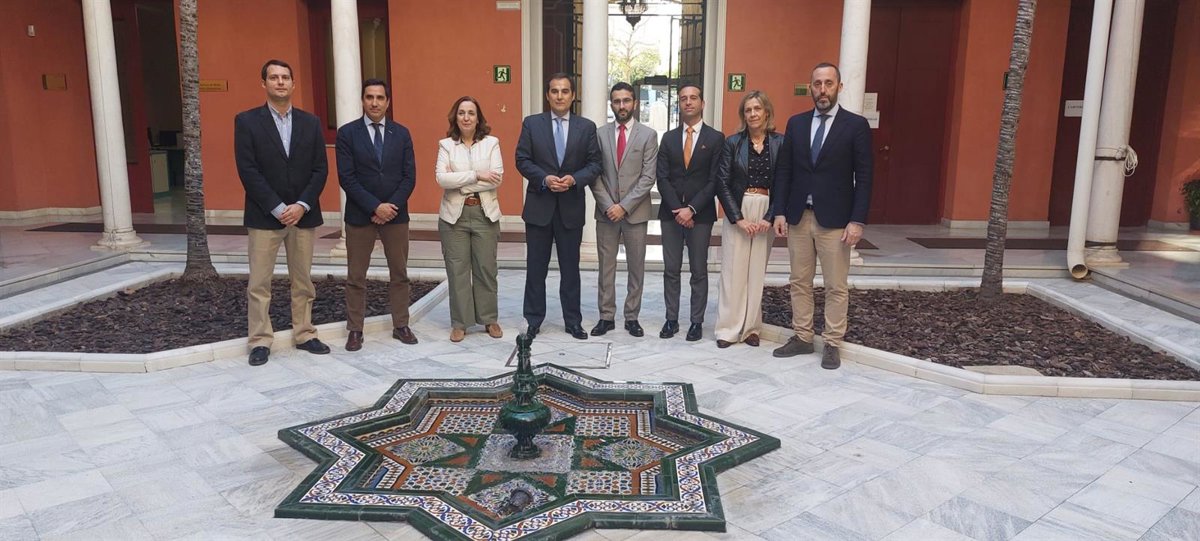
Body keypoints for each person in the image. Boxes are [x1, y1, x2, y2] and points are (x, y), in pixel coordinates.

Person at [771, 62, 873, 369]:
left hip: (836, 221)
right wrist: (779, 211)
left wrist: (857, 220)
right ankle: (803, 337)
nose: (823, 89)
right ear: (811, 87)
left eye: (829, 83)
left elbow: (864, 177)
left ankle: (832, 342)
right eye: (817, 84)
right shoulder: (797, 124)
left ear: (839, 87)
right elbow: (785, 171)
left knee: (835, 285)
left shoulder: (855, 126)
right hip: (799, 216)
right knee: (799, 281)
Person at [234, 59, 330, 366]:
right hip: (265, 217)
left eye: (285, 77)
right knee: (259, 283)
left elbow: (320, 169)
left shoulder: (310, 123)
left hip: (303, 216)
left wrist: (301, 205)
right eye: (274, 77)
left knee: (303, 281)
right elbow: (248, 170)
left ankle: (305, 333)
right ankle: (260, 340)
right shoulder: (247, 121)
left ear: (293, 83)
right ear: (264, 83)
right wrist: (277, 207)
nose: (280, 82)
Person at [514, 73, 602, 340]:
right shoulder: (532, 124)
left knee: (570, 270)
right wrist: (544, 178)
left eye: (565, 91)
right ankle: (533, 320)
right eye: (554, 91)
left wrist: (574, 179)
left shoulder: (586, 127)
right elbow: (522, 159)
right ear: (547, 95)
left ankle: (573, 321)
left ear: (573, 95)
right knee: (535, 269)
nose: (560, 96)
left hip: (570, 208)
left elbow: (595, 164)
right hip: (539, 207)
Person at [336, 78, 418, 352]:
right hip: (361, 216)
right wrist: (374, 207)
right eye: (369, 97)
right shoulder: (347, 134)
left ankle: (401, 324)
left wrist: (389, 207)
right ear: (363, 100)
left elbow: (409, 177)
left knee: (400, 273)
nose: (374, 102)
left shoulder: (401, 134)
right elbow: (347, 178)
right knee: (356, 276)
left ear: (387, 102)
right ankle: (355, 329)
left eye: (380, 97)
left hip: (396, 215)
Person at [713, 91, 783, 348]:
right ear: (743, 115)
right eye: (748, 110)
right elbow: (722, 182)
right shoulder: (733, 143)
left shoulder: (780, 143)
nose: (753, 114)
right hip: (739, 208)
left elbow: (784, 181)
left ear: (766, 112)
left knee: (756, 272)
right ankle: (727, 329)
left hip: (765, 210)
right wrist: (738, 218)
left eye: (757, 109)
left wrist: (770, 216)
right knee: (733, 271)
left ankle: (751, 328)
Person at [656, 82, 725, 342]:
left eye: (693, 97)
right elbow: (662, 177)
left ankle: (696, 322)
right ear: (679, 103)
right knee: (671, 269)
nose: (688, 102)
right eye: (683, 98)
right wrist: (678, 209)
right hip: (671, 214)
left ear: (702, 103)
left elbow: (715, 180)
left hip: (701, 215)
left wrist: (692, 209)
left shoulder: (715, 138)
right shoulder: (668, 138)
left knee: (699, 270)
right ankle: (671, 319)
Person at [589, 82, 658, 338]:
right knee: (605, 267)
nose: (622, 105)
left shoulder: (648, 135)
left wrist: (624, 207)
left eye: (626, 100)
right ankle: (606, 316)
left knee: (636, 267)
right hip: (606, 213)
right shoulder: (599, 134)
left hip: (635, 214)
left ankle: (632, 317)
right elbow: (594, 174)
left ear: (635, 103)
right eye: (617, 101)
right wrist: (609, 206)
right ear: (611, 104)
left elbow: (648, 177)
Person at [435, 96, 504, 342]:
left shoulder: (492, 143)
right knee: (458, 271)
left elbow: (496, 178)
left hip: (485, 214)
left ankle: (489, 319)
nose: (466, 117)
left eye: (471, 113)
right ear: (455, 117)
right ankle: (460, 323)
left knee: (486, 269)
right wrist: (476, 175)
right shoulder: (446, 145)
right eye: (462, 113)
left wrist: (459, 181)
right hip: (454, 217)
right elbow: (441, 179)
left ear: (478, 118)